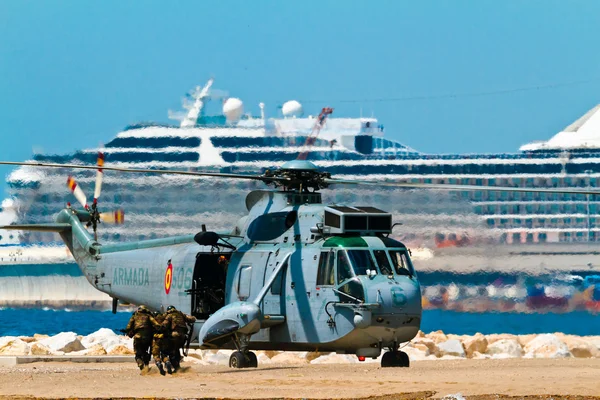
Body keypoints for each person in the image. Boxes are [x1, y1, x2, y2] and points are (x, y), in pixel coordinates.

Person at [125, 305, 160, 371]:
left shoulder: (134, 316)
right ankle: (146, 365)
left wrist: (128, 332)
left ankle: (140, 363)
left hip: (137, 337)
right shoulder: (148, 316)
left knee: (138, 353)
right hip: (147, 337)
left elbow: (128, 327)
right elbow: (156, 324)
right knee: (146, 351)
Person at [161, 305, 196, 372]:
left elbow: (164, 325)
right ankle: (177, 367)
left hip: (174, 336)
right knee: (176, 350)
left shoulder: (169, 315)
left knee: (171, 351)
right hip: (182, 337)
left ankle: (173, 365)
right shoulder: (181, 314)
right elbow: (192, 319)